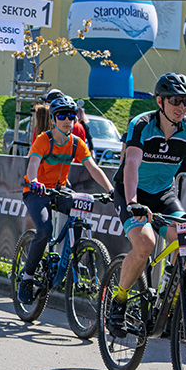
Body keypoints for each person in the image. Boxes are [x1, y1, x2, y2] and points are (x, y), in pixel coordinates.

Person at [107, 73, 186, 338]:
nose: (182, 107)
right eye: (176, 100)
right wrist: (132, 203)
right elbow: (131, 164)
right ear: (160, 101)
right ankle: (118, 301)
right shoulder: (142, 124)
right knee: (145, 243)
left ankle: (169, 304)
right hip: (132, 192)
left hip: (164, 194)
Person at [16, 96, 114, 303]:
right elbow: (32, 164)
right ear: (53, 119)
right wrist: (34, 181)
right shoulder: (44, 140)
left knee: (80, 213)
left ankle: (69, 258)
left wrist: (111, 190)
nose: (68, 120)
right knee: (44, 229)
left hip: (60, 190)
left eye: (71, 116)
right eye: (62, 116)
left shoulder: (76, 143)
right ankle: (27, 278)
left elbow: (93, 168)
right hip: (36, 191)